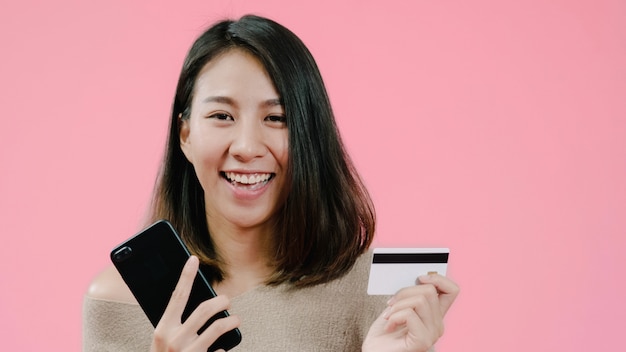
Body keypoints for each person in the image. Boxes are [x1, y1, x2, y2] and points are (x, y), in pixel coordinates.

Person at [83, 14, 459, 352]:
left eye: (277, 118)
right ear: (185, 135)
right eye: (221, 115)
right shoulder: (118, 300)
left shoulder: (375, 296)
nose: (247, 147)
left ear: (310, 136)